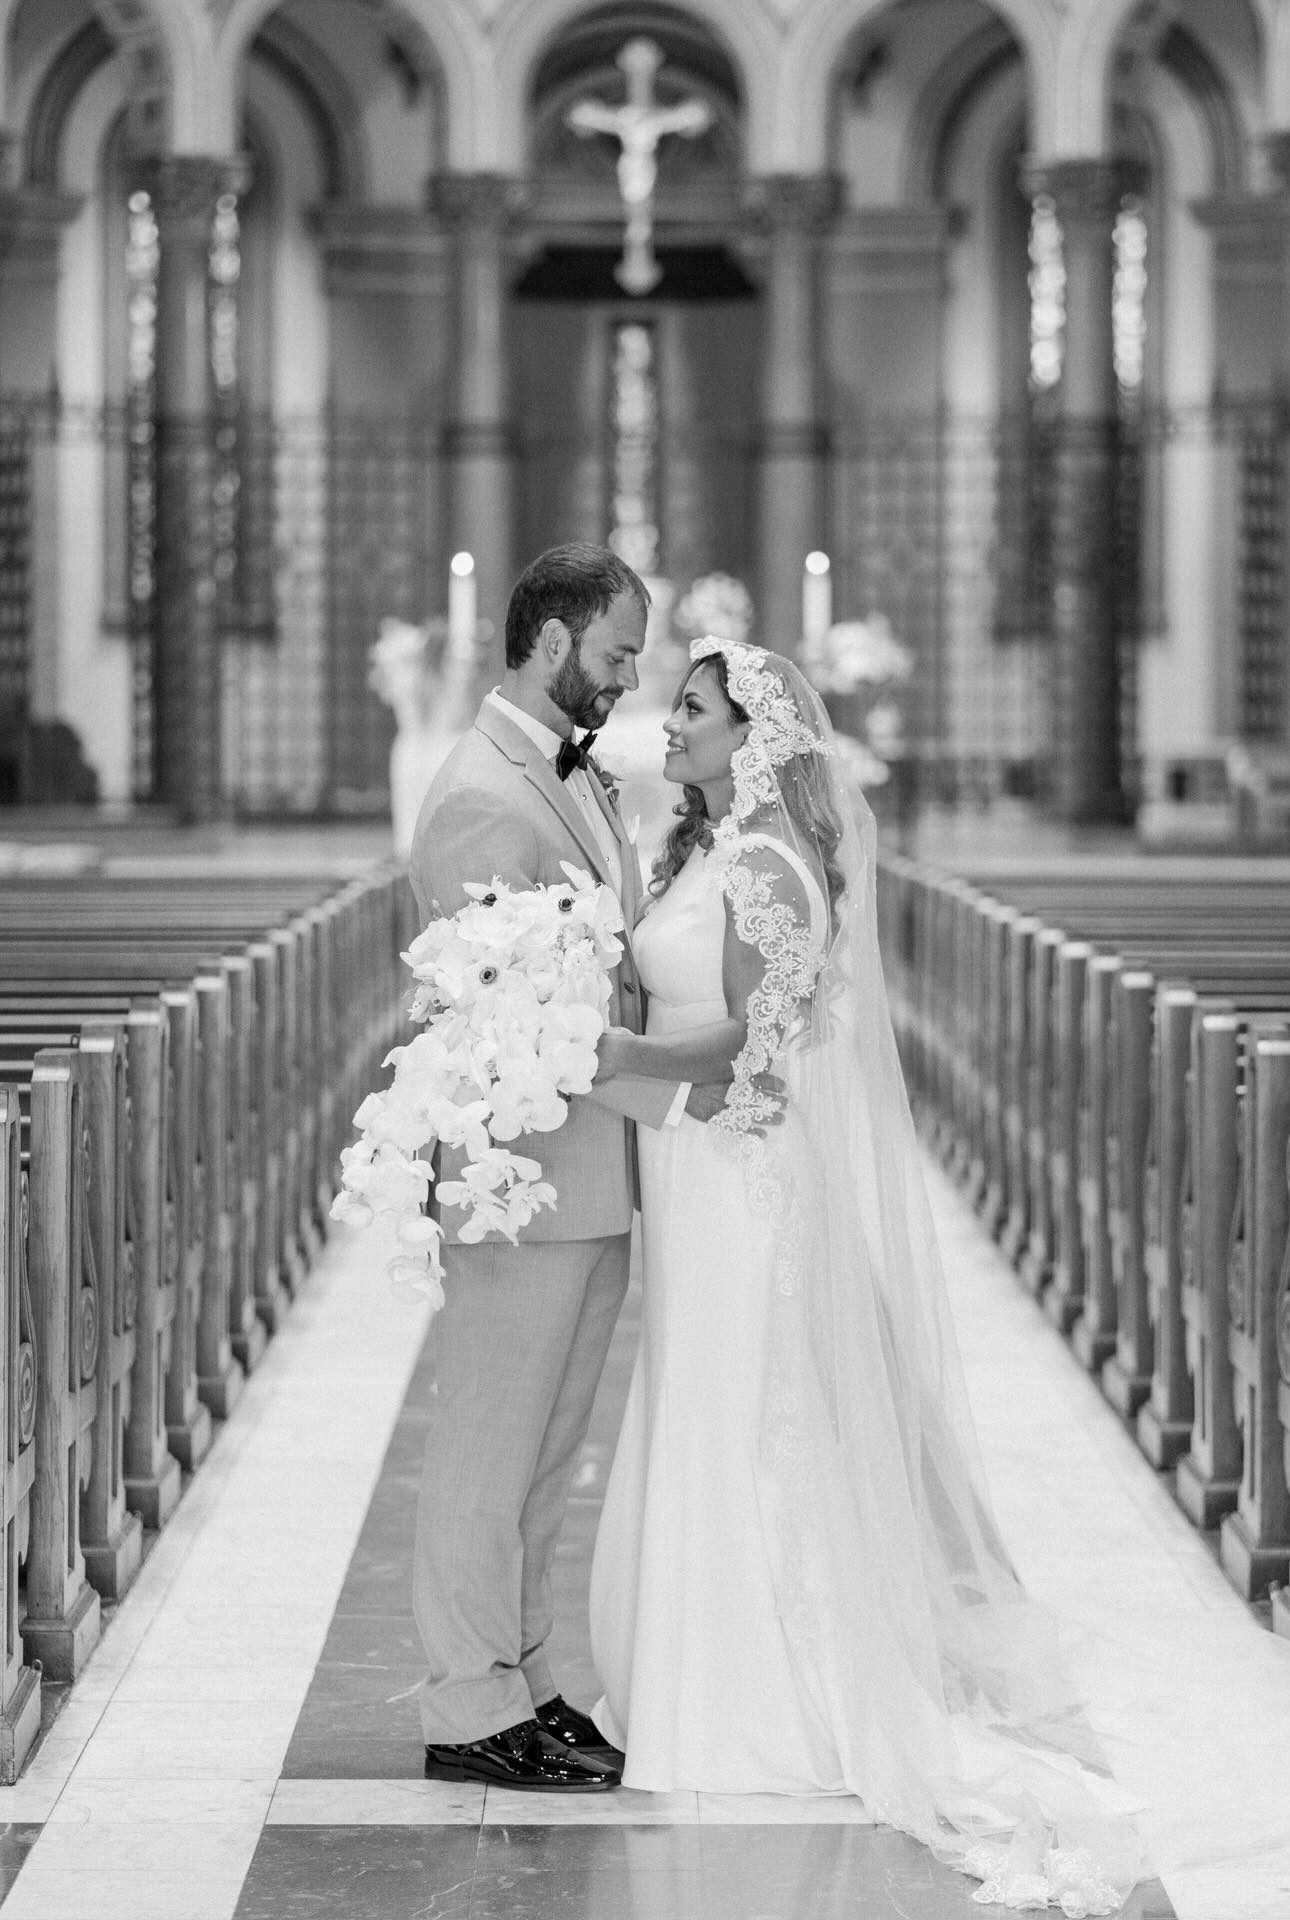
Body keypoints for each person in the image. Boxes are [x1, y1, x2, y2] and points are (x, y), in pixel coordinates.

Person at [584, 634, 1290, 1911]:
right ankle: (702, 1666)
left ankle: (759, 1690)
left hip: (739, 1181)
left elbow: (755, 1060)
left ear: (752, 738)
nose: (672, 729)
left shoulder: (763, 864)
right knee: (706, 1402)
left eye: (695, 713)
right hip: (700, 1179)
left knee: (745, 1409)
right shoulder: (710, 850)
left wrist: (605, 1060)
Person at [406, 543, 726, 1793]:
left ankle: (523, 1678)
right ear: (550, 644)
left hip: (590, 1172)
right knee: (491, 1445)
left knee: (546, 1452)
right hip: (523, 1177)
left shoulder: (572, 774)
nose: (629, 675)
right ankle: (466, 1706)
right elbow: (518, 1019)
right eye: (614, 653)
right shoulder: (483, 792)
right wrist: (700, 1083)